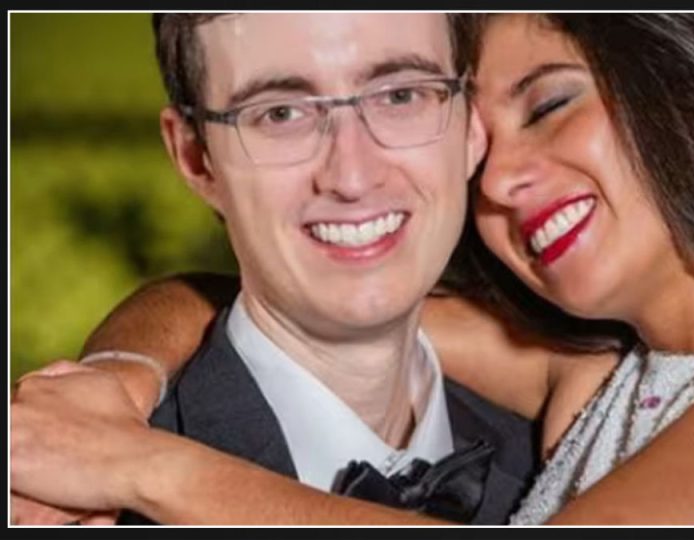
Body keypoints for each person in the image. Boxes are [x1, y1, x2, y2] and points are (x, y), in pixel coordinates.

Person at [11, 13, 694, 525]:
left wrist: (143, 467)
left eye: (550, 104)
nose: (502, 179)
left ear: (679, 85)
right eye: (481, 144)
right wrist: (116, 378)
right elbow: (247, 300)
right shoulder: (584, 380)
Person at [12, 12, 544, 525]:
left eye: (400, 95)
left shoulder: (556, 465)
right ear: (196, 157)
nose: (352, 176)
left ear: (471, 125)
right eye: (281, 113)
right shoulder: (47, 501)